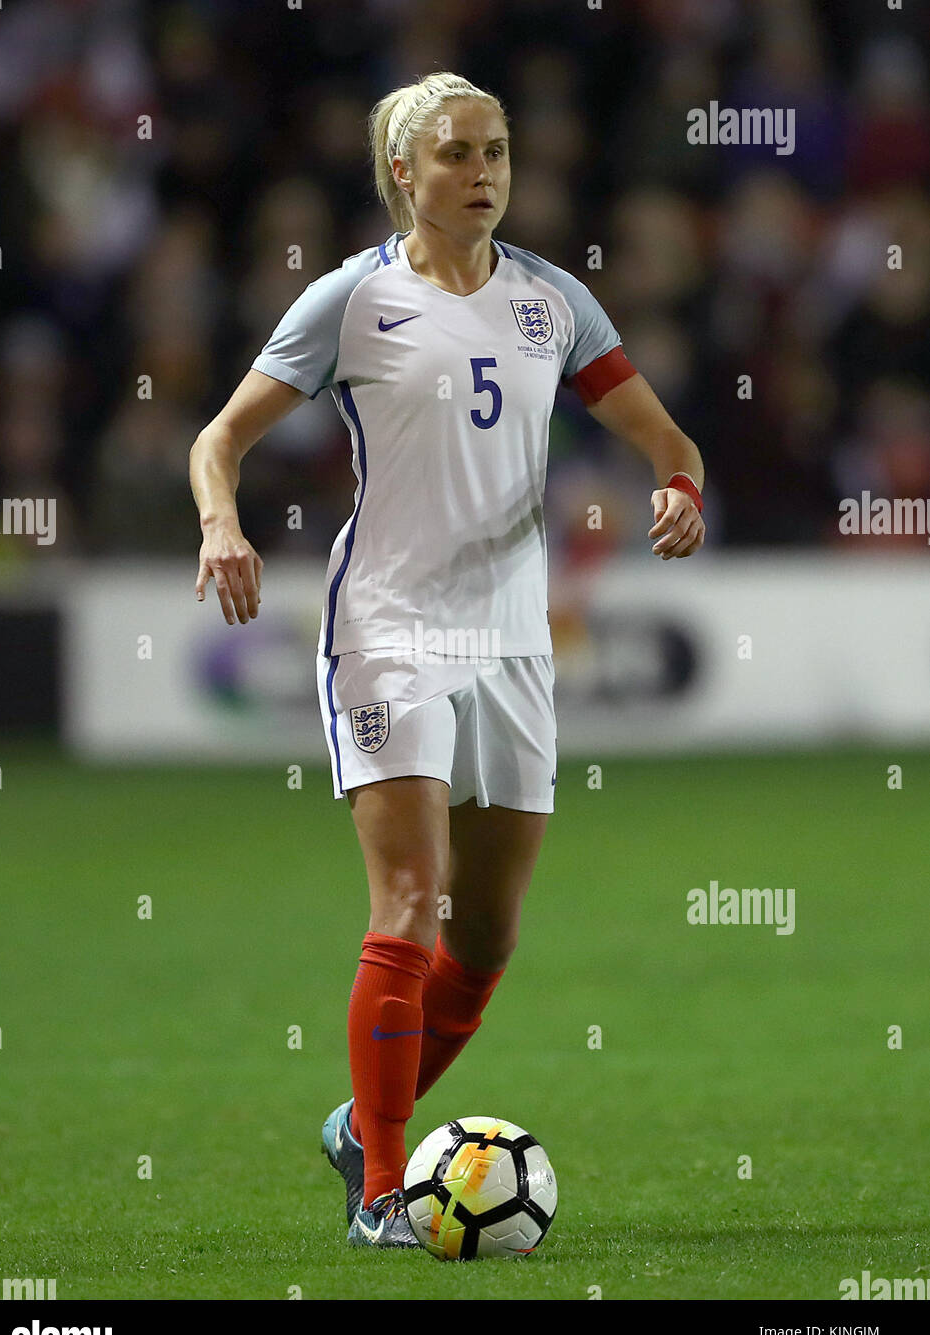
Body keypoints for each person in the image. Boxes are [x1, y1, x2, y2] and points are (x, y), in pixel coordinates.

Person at [189, 71, 705, 1249]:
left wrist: (679, 483)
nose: (484, 173)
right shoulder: (349, 302)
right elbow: (217, 438)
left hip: (513, 639)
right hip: (389, 630)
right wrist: (222, 522)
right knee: (412, 904)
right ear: (401, 176)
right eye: (459, 154)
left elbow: (668, 437)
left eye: (498, 151)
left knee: (486, 939)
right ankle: (382, 1192)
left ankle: (357, 1129)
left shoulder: (553, 302)